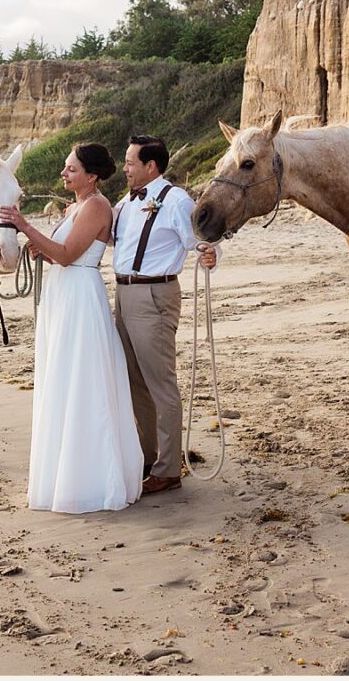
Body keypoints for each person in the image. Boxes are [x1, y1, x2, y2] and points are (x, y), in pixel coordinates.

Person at [0, 143, 143, 513]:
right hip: (63, 296)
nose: (64, 174)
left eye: (71, 169)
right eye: (65, 168)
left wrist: (25, 226)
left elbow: (68, 256)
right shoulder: (76, 207)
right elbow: (59, 252)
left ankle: (89, 480)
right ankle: (64, 474)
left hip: (79, 295)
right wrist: (40, 247)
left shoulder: (96, 206)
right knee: (63, 377)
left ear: (91, 176)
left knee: (83, 380)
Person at [111, 135, 219, 495]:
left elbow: (201, 239)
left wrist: (210, 254)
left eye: (129, 162)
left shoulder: (175, 200)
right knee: (135, 379)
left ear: (150, 166)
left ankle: (169, 468)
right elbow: (111, 236)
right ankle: (147, 456)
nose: (124, 168)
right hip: (124, 294)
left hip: (154, 294)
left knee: (160, 381)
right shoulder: (126, 202)